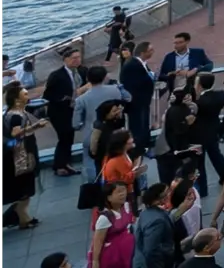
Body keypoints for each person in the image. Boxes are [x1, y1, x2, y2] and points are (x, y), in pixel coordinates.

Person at [3, 81, 50, 227]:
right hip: (21, 155)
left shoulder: (16, 113)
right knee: (25, 189)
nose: (27, 95)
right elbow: (15, 133)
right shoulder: (16, 116)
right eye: (24, 94)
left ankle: (22, 217)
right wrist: (37, 125)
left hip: (22, 152)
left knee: (25, 189)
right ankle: (21, 217)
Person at [44, 48, 84, 177]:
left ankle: (64, 162)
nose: (77, 60)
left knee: (69, 137)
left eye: (78, 57)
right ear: (65, 60)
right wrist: (65, 98)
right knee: (64, 138)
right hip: (59, 112)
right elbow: (48, 94)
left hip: (72, 109)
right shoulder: (57, 75)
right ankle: (61, 165)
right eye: (74, 58)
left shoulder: (79, 72)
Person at [90, 181, 138, 268]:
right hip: (112, 256)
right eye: (118, 192)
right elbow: (98, 242)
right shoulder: (105, 218)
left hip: (127, 251)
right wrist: (95, 263)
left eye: (124, 190)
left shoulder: (126, 206)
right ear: (109, 197)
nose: (122, 194)